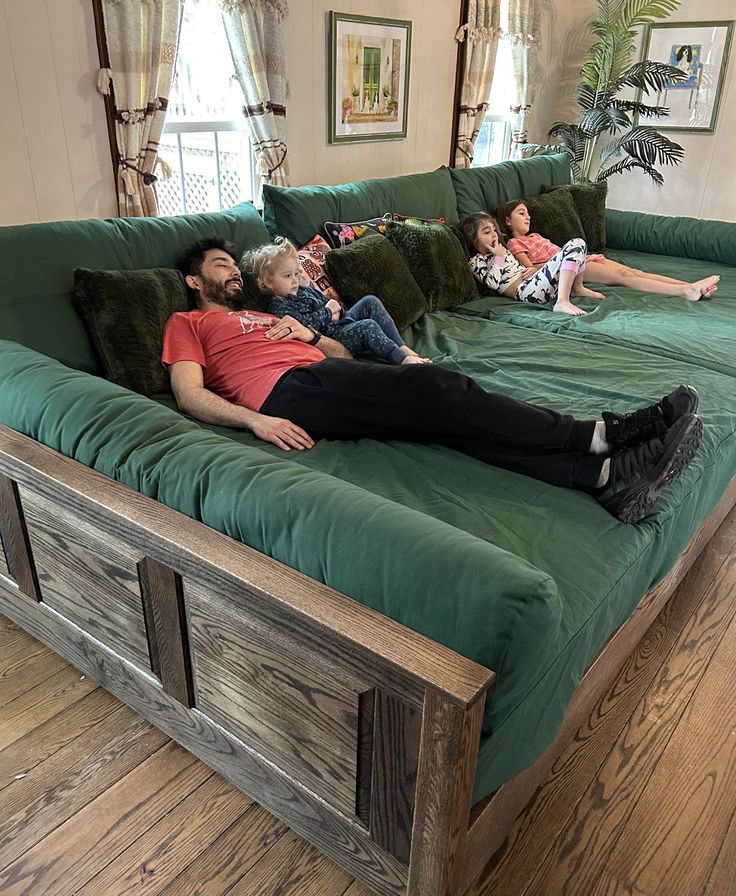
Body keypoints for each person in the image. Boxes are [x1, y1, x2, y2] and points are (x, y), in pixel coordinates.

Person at [161, 236, 704, 525]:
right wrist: (257, 421)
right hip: (287, 395)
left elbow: (339, 350)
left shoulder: (266, 315)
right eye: (219, 265)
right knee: (437, 388)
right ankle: (601, 434)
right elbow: (189, 394)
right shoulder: (188, 322)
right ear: (194, 279)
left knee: (448, 425)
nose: (232, 270)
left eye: (234, 263)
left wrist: (306, 336)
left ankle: (601, 477)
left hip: (320, 370)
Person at [244, 236, 430, 365]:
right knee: (367, 326)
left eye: (296, 273)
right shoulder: (278, 307)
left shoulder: (303, 290)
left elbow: (331, 306)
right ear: (266, 282)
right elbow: (304, 326)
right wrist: (328, 312)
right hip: (333, 339)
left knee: (370, 301)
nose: (295, 280)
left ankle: (402, 346)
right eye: (287, 276)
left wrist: (334, 310)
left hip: (339, 323)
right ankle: (400, 358)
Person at [498, 199, 719, 301]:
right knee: (625, 277)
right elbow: (532, 269)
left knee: (635, 272)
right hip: (568, 265)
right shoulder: (514, 243)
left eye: (527, 213)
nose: (527, 217)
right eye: (521, 213)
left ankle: (691, 286)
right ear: (507, 221)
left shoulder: (535, 236)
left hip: (581, 258)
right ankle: (685, 291)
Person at [459, 212, 604, 317]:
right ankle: (562, 302)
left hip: (534, 281)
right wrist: (499, 257)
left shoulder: (501, 250)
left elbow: (517, 269)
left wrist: (532, 270)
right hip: (527, 291)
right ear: (473, 239)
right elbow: (492, 283)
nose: (494, 235)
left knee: (579, 243)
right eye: (486, 232)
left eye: (494, 230)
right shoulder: (476, 261)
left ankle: (577, 288)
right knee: (575, 244)